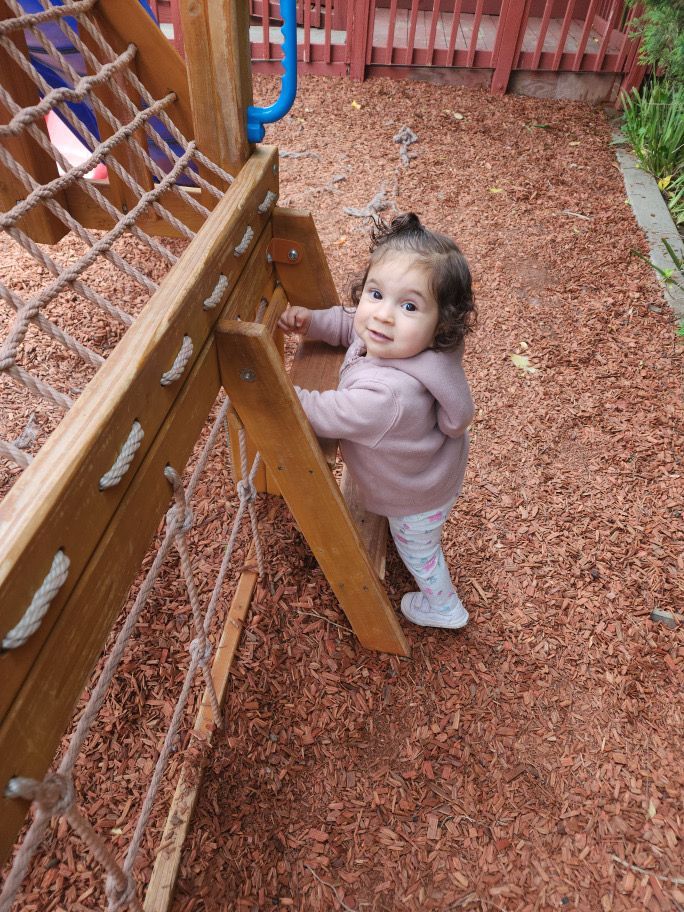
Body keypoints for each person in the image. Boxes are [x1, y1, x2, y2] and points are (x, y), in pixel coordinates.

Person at [277, 213, 476, 630]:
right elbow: (353, 323)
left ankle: (444, 607)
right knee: (417, 539)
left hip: (415, 495)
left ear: (440, 325)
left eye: (408, 305)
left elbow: (322, 412)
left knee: (419, 550)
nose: (383, 315)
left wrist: (275, 389)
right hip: (428, 466)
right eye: (375, 293)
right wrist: (313, 322)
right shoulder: (402, 340)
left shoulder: (387, 397)